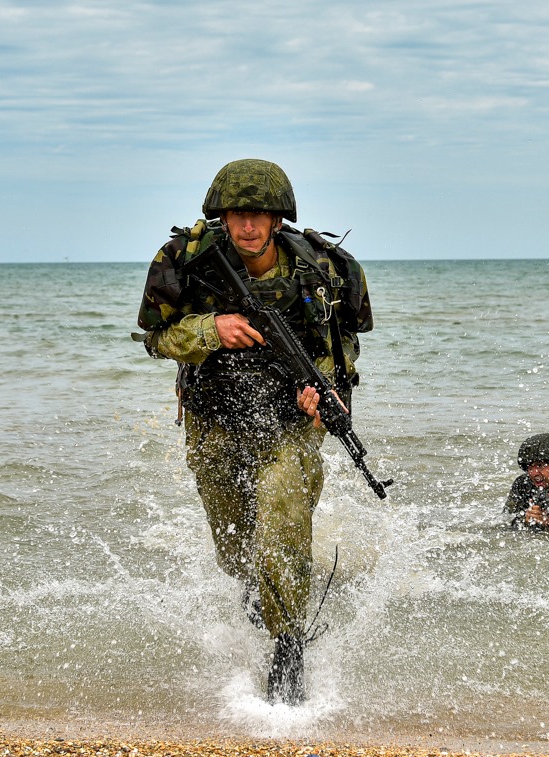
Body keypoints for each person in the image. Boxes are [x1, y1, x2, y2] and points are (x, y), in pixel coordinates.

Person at [135, 159, 374, 705]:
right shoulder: (185, 261)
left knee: (281, 516)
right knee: (236, 547)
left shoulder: (321, 270)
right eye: (238, 215)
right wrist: (209, 329)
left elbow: (343, 348)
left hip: (290, 423)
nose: (247, 227)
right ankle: (257, 591)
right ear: (223, 215)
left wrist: (326, 397)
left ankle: (289, 643)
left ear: (277, 219)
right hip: (213, 416)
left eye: (259, 216)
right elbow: (153, 338)